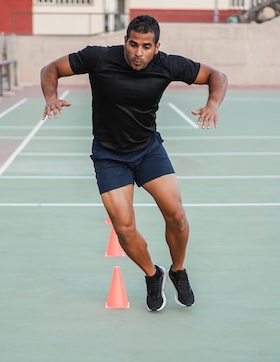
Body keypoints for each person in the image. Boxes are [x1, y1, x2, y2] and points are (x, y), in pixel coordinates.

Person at [40, 15, 227, 312]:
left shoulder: (168, 64)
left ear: (157, 47)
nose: (139, 52)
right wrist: (50, 97)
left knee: (176, 215)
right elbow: (51, 68)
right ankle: (153, 275)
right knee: (124, 229)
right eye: (133, 44)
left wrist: (213, 103)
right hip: (109, 155)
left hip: (148, 150)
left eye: (146, 46)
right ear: (125, 41)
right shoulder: (98, 57)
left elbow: (217, 76)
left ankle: (178, 270)